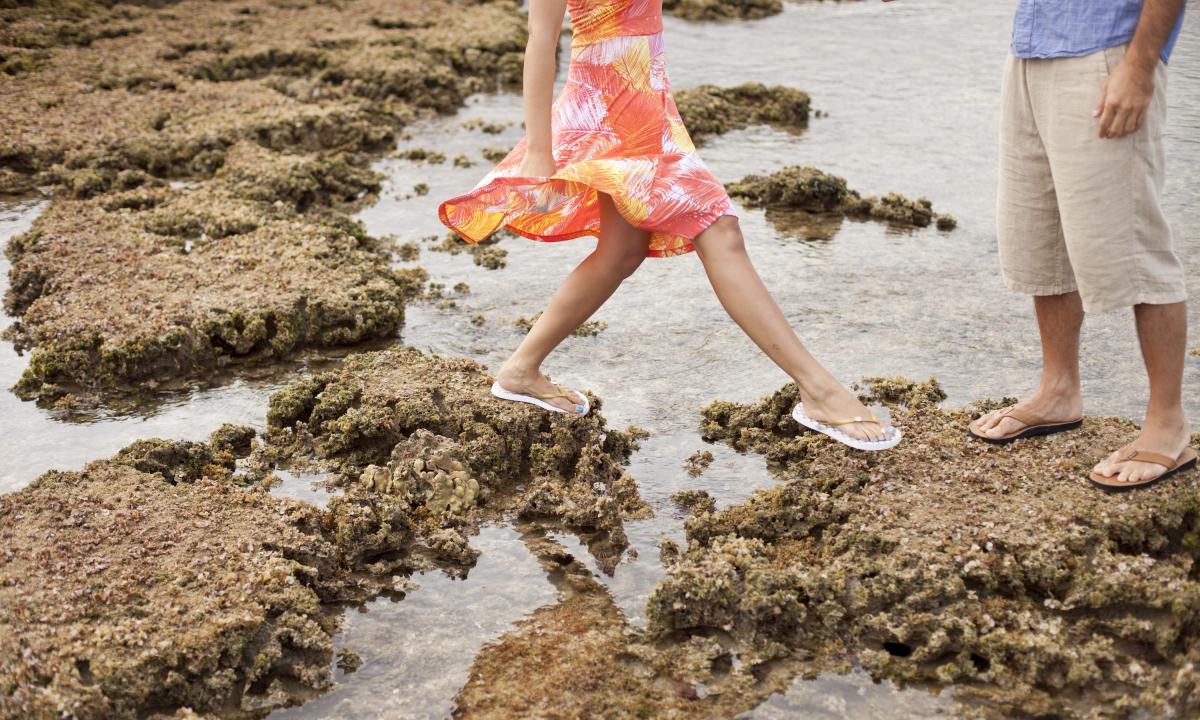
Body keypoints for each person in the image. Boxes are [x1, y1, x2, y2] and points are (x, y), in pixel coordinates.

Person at [438, 0, 901, 451]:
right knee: (718, 229)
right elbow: (541, 40)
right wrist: (540, 148)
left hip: (651, 110)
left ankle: (521, 370)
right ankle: (819, 390)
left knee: (622, 252)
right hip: (605, 110)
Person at [968, 0, 1194, 491]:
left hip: (1110, 53)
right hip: (1031, 50)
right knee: (1039, 234)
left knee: (1134, 248)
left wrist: (1138, 66)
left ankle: (1169, 424)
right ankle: (1058, 390)